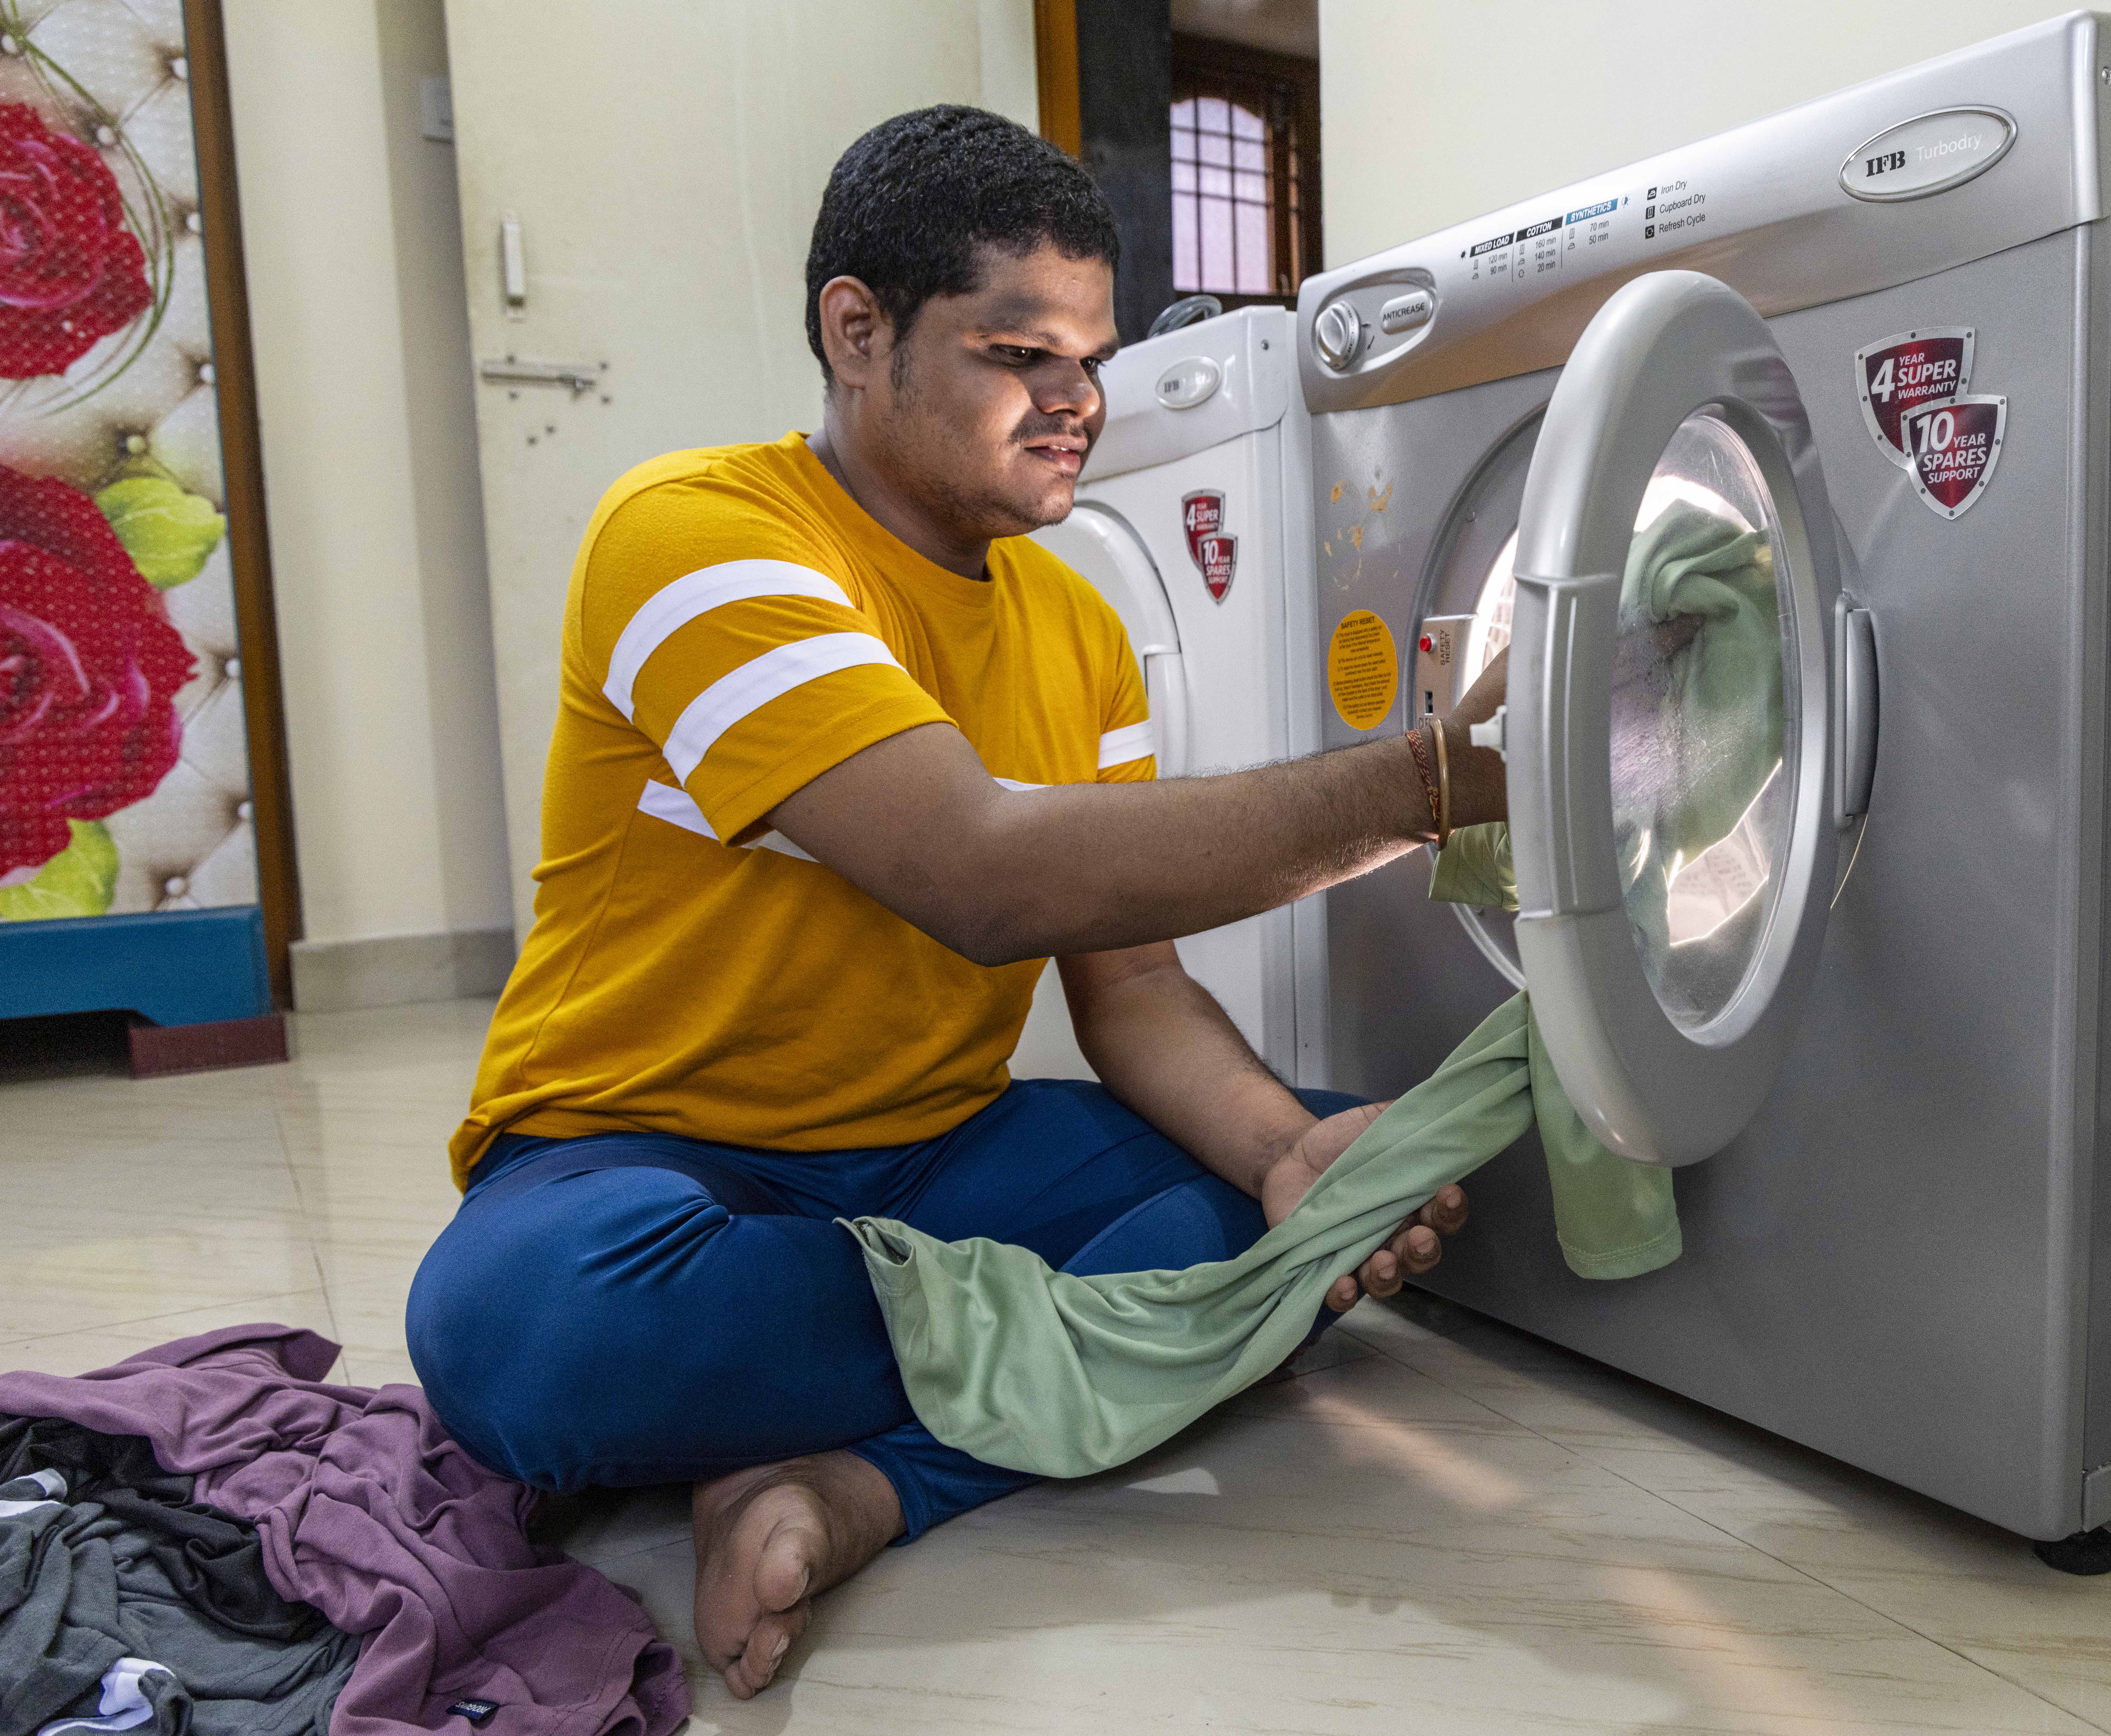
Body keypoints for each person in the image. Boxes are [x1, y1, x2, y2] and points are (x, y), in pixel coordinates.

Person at [404, 106, 1508, 1699]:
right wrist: (1424, 786)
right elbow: (982, 875)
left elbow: (1126, 986)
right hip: (639, 1160)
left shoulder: (1075, 624)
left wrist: (1283, 1158)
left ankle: (850, 1484)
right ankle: (923, 1405)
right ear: (858, 333)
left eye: (1092, 357)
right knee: (525, 1335)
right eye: (1020, 355)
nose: (1077, 406)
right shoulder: (697, 540)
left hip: (932, 1164)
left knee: (1330, 1184)